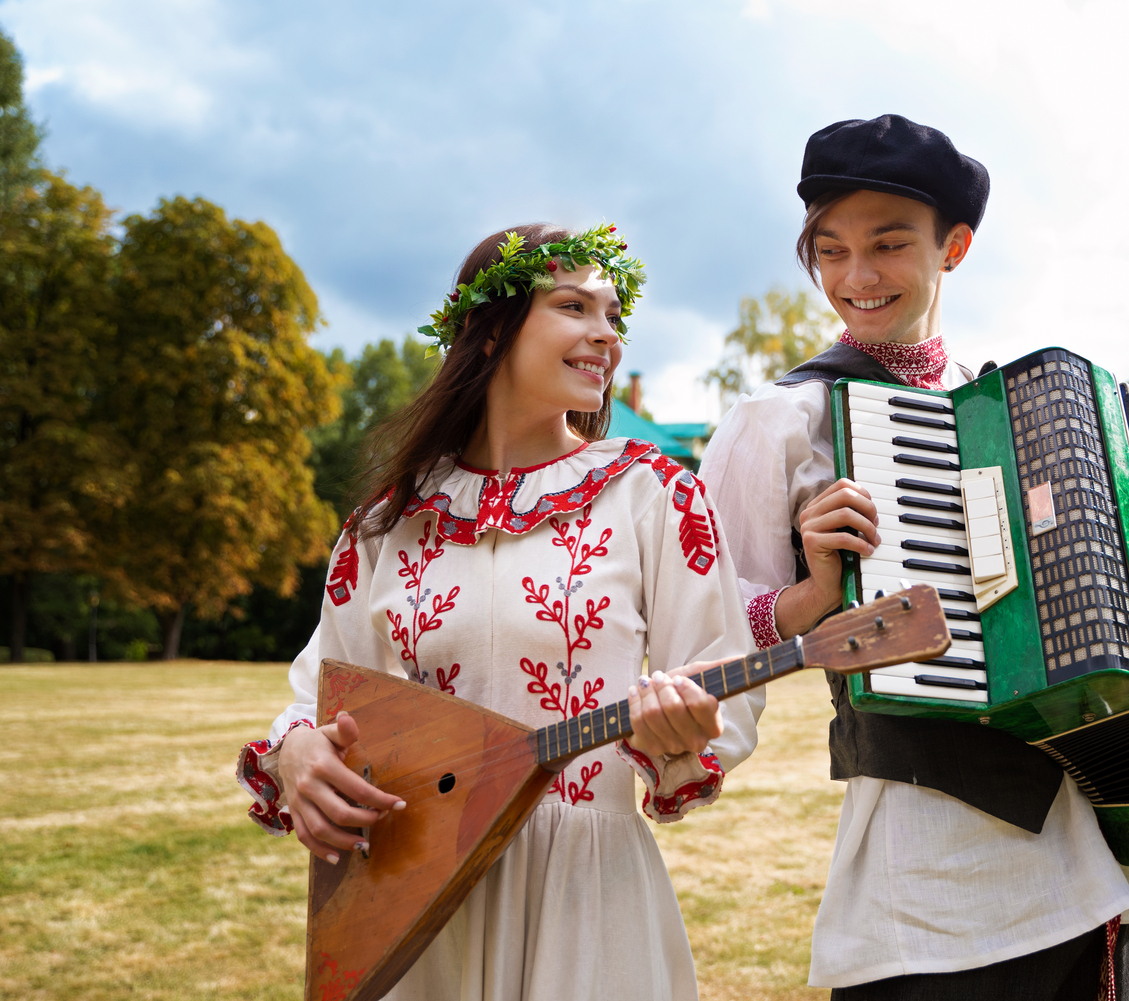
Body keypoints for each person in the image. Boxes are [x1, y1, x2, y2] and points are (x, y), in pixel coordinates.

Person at [698, 115, 1129, 1000]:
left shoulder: (1024, 419)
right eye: (830, 251)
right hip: (929, 890)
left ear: (955, 246)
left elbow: (1116, 629)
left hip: (1085, 874)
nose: (856, 276)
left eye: (889, 244)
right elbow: (712, 633)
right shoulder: (784, 420)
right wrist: (812, 596)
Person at [235, 223, 764, 1001]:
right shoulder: (387, 526)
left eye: (613, 314)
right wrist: (297, 752)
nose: (607, 335)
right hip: (420, 899)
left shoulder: (654, 494)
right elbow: (324, 696)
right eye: (574, 306)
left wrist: (680, 730)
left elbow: (725, 680)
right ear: (489, 331)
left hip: (587, 895)